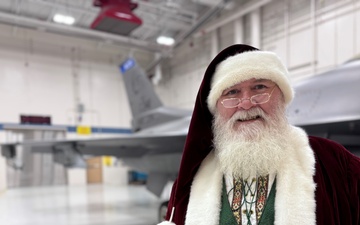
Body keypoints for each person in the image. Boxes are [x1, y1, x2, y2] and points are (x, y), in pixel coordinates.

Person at [158, 44, 360, 225]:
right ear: (215, 108)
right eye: (232, 92)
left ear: (281, 96)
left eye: (259, 87)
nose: (246, 103)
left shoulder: (334, 163)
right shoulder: (190, 182)